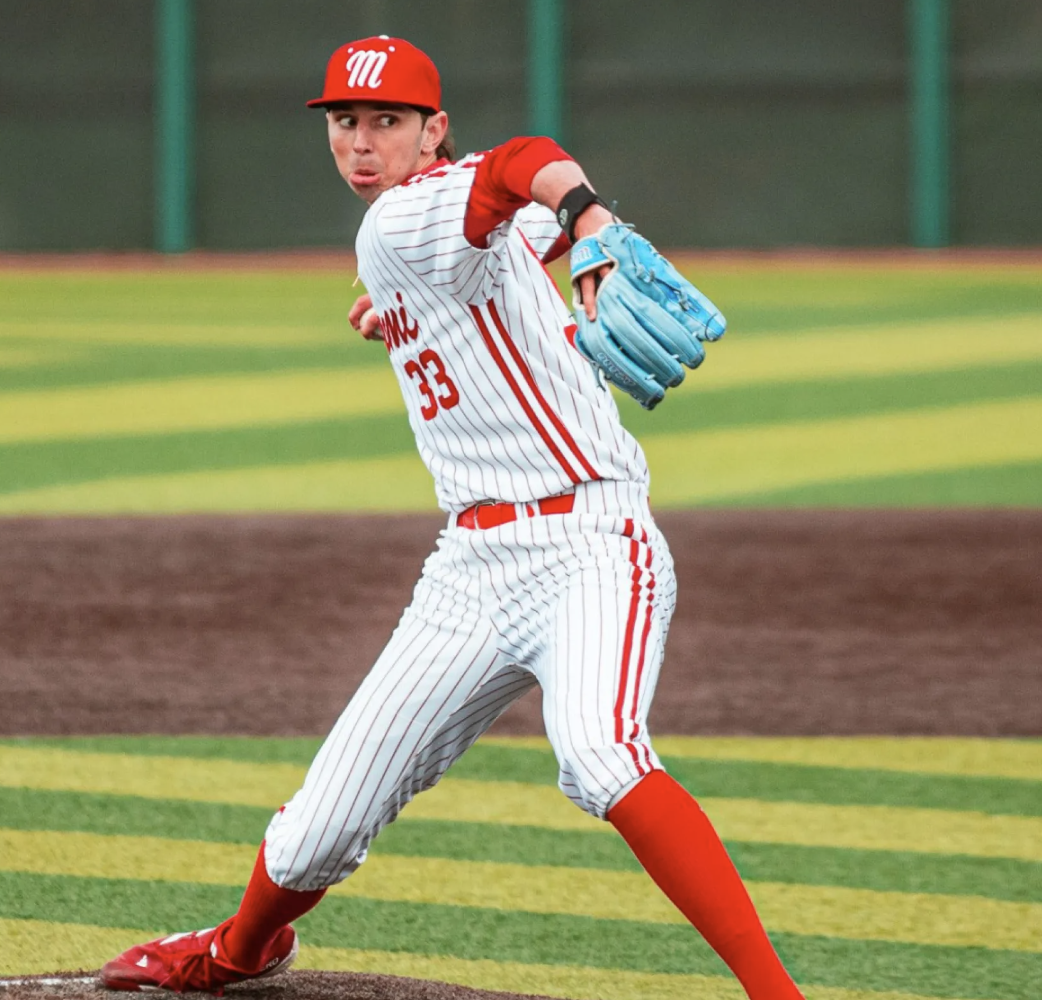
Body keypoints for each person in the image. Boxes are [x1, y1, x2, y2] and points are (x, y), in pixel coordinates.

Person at [101, 35, 805, 999]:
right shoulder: (425, 229)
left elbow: (523, 160)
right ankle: (236, 951)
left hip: (589, 545)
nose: (361, 141)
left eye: (386, 121)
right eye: (345, 121)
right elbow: (512, 225)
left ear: (433, 130)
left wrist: (588, 213)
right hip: (469, 571)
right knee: (316, 831)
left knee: (603, 756)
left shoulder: (408, 217)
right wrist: (406, 307)